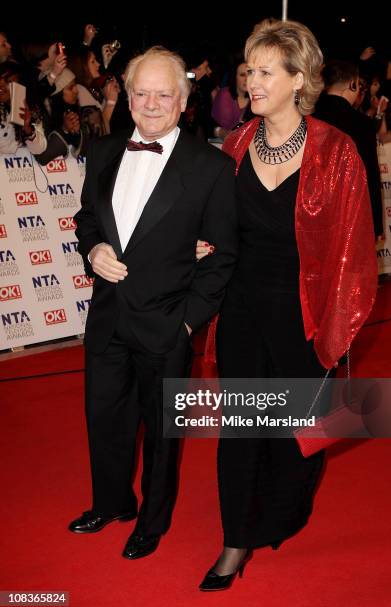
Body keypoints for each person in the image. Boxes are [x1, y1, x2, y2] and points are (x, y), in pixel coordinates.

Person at [197, 19, 377, 591]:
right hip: (242, 310)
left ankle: (278, 513)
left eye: (265, 71)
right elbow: (218, 227)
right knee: (242, 427)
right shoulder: (236, 144)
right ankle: (233, 543)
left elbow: (352, 248)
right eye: (250, 69)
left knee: (298, 434)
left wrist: (335, 330)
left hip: (304, 316)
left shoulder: (336, 151)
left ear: (299, 80)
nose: (251, 80)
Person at [70, 46, 238, 561]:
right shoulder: (103, 150)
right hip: (107, 317)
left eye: (163, 94)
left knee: (164, 432)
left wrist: (187, 324)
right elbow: (88, 221)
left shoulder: (210, 166)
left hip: (167, 323)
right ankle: (111, 502)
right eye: (141, 92)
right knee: (104, 417)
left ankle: (152, 519)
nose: (150, 103)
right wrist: (93, 249)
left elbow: (222, 256)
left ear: (184, 101)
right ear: (127, 94)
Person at [313, 59, 384, 238]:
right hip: (349, 214)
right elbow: (370, 176)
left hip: (310, 211)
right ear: (353, 84)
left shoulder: (307, 117)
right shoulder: (362, 124)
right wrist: (375, 225)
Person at [211, 55, 250, 138]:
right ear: (235, 77)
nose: (247, 79)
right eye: (242, 75)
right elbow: (226, 130)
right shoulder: (225, 94)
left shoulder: (255, 97)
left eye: (249, 74)